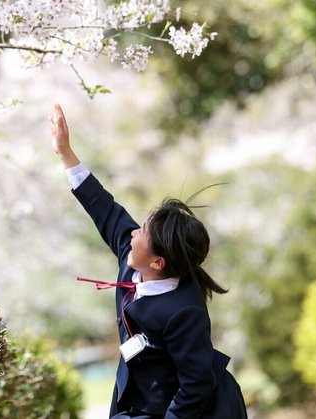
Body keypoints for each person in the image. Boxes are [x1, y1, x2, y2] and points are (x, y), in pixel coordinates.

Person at [48, 103, 247, 419]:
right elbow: (106, 210)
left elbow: (196, 385)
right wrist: (65, 153)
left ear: (158, 262)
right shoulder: (136, 261)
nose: (132, 234)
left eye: (141, 231)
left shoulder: (184, 312)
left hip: (192, 409)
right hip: (142, 399)